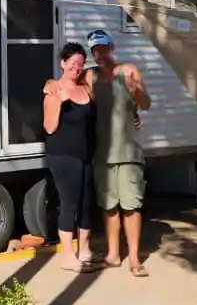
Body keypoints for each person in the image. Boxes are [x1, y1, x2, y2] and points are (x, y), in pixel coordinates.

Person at [87, 29, 152, 276]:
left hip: (128, 152)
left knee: (131, 206)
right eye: (94, 50)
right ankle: (113, 255)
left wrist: (136, 91)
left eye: (102, 48)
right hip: (102, 153)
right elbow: (70, 86)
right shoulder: (90, 77)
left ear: (112, 47)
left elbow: (146, 105)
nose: (98, 54)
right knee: (109, 206)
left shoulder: (129, 71)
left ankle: (134, 260)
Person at [43, 42, 100, 273]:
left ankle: (84, 251)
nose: (76, 67)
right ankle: (67, 256)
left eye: (80, 63)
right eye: (72, 63)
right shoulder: (53, 90)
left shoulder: (86, 87)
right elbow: (48, 127)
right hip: (63, 156)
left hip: (86, 154)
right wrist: (59, 101)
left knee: (87, 204)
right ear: (62, 63)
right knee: (70, 204)